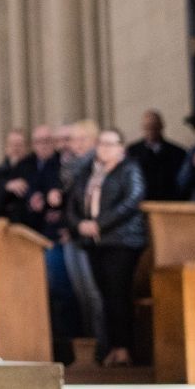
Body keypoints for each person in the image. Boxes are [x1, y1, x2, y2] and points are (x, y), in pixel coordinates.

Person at [65, 128, 148, 368]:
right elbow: (73, 203)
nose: (104, 148)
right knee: (104, 295)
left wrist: (99, 224)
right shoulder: (89, 172)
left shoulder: (129, 169)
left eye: (110, 144)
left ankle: (124, 348)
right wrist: (79, 224)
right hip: (95, 242)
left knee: (118, 293)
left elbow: (132, 200)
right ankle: (113, 347)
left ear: (121, 147)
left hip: (122, 241)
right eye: (101, 143)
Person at [127, 109, 188, 201]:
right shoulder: (132, 152)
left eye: (154, 126)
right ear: (142, 128)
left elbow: (182, 182)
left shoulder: (178, 152)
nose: (151, 130)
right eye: (147, 127)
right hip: (141, 203)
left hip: (169, 202)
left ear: (161, 126)